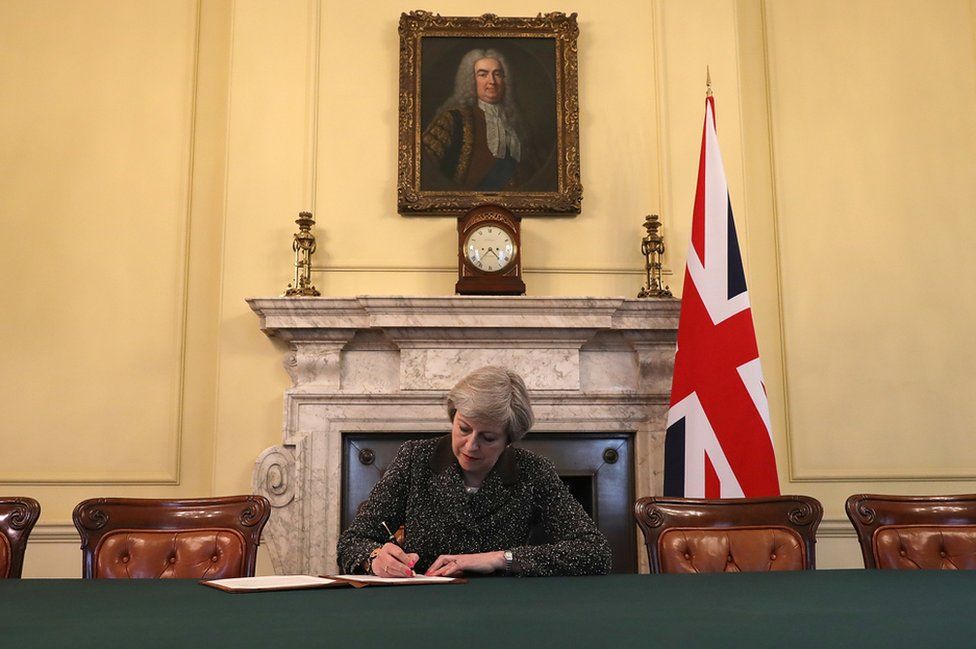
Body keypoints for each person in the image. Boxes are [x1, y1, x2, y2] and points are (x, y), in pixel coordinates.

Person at [336, 366, 612, 577]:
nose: (470, 445)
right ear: (453, 416)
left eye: (488, 438)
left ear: (509, 439)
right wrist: (373, 559)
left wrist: (500, 558)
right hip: (422, 603)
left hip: (503, 606)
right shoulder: (415, 458)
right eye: (464, 428)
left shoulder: (532, 471)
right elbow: (353, 541)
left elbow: (595, 552)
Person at [421, 49, 539, 191]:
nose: (492, 81)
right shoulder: (451, 120)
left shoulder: (518, 124)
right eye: (483, 74)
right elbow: (425, 167)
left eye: (497, 74)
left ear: (505, 80)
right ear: (471, 80)